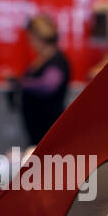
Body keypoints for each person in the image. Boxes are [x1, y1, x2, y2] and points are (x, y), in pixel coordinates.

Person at [15, 14, 71, 147]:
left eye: (31, 39)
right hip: (36, 127)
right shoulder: (41, 59)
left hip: (49, 125)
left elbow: (48, 86)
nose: (30, 43)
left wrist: (22, 83)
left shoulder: (57, 60)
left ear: (38, 37)